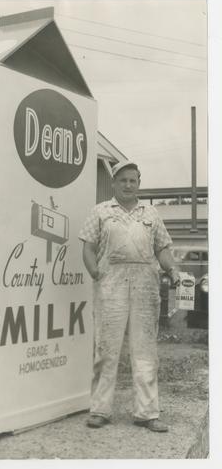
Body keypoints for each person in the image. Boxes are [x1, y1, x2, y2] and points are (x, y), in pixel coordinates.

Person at [79, 160, 179, 433]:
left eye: (132, 180)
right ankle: (100, 410)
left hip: (145, 286)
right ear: (114, 183)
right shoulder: (101, 212)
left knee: (145, 351)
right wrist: (95, 272)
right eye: (122, 180)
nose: (127, 185)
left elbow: (163, 249)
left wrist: (172, 268)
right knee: (106, 349)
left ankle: (147, 413)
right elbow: (88, 249)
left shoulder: (151, 214)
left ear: (139, 183)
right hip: (110, 285)